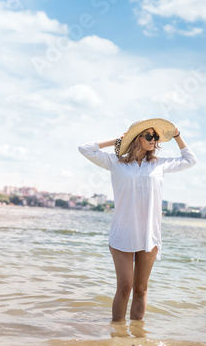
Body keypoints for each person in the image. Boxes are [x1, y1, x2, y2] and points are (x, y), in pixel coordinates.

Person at [78, 118, 197, 322]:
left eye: (156, 137)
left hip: (149, 236)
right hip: (122, 233)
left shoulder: (160, 164)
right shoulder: (115, 163)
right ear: (136, 138)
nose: (154, 140)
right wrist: (118, 140)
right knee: (125, 287)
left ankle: (137, 340)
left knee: (141, 289)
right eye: (149, 136)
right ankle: (117, 336)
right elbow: (85, 148)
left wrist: (177, 136)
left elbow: (190, 159)